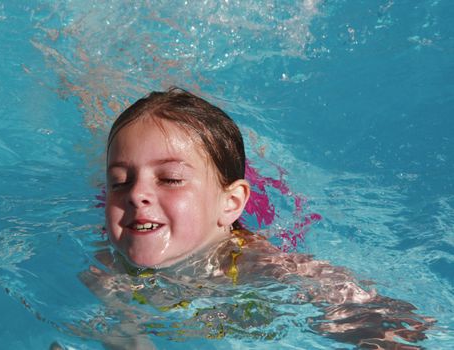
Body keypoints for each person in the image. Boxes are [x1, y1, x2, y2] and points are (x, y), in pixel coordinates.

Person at [81, 87, 433, 349]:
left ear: (231, 203)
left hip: (255, 208)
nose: (135, 193)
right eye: (120, 182)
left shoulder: (257, 264)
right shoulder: (106, 264)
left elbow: (393, 322)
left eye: (170, 179)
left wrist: (381, 334)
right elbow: (122, 326)